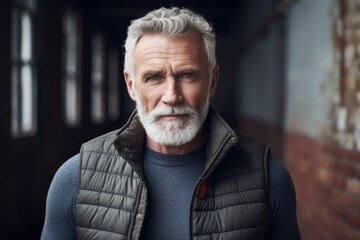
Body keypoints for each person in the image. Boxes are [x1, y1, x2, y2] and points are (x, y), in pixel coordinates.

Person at [41, 6, 300, 240]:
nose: (171, 96)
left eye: (187, 75)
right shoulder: (74, 179)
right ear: (131, 85)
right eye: (154, 77)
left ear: (212, 81)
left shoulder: (269, 180)